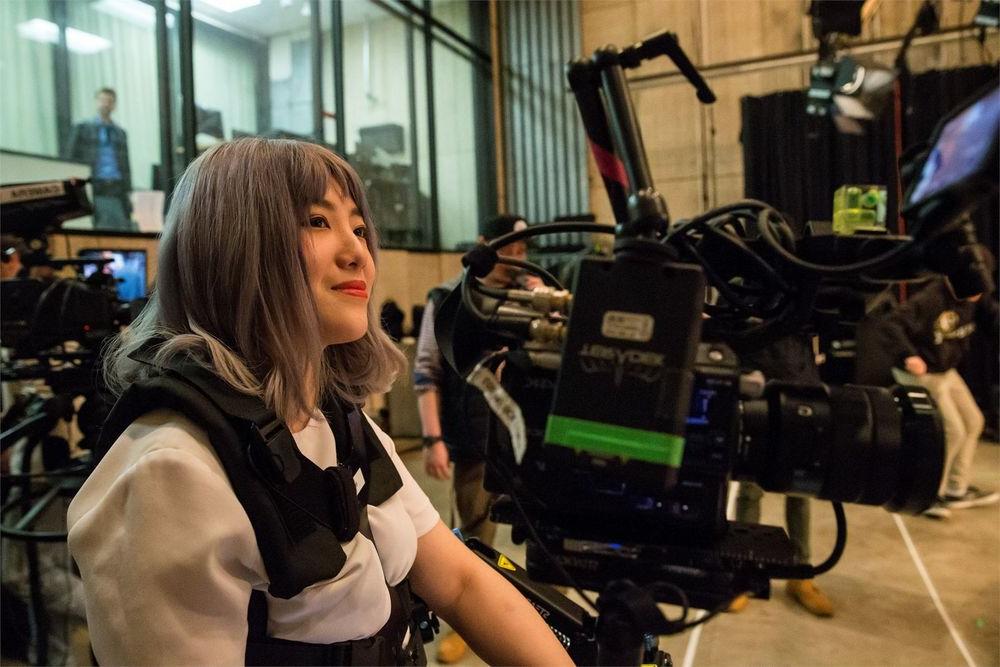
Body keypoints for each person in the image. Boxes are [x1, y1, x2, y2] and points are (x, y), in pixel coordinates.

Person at [65, 138, 571, 666]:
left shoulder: (339, 420)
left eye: (356, 227)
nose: (358, 252)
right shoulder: (171, 473)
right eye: (316, 221)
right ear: (231, 246)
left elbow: (461, 583)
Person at [412, 214, 537, 663]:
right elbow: (427, 371)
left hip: (531, 442)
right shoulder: (449, 298)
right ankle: (468, 625)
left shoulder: (535, 298)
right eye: (511, 247)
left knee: (542, 535)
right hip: (474, 440)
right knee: (473, 535)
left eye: (524, 249)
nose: (518, 258)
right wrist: (433, 440)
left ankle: (544, 617)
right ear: (486, 244)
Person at [881, 266, 999, 519]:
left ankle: (956, 488)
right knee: (951, 430)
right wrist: (908, 355)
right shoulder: (931, 298)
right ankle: (929, 494)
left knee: (974, 421)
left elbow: (993, 318)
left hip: (945, 369)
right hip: (921, 371)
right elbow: (891, 323)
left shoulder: (976, 296)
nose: (978, 297)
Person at [731, 335, 834, 618]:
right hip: (760, 398)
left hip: (802, 394)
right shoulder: (754, 296)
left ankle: (800, 574)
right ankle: (742, 573)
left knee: (800, 489)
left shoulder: (805, 302)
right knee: (750, 490)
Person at [65, 87, 136, 232]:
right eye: (102, 100)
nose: (105, 104)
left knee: (120, 225)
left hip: (116, 186)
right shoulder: (82, 128)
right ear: (96, 102)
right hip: (94, 183)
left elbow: (125, 164)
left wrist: (128, 190)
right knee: (101, 224)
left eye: (109, 101)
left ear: (114, 105)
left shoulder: (120, 133)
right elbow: (70, 157)